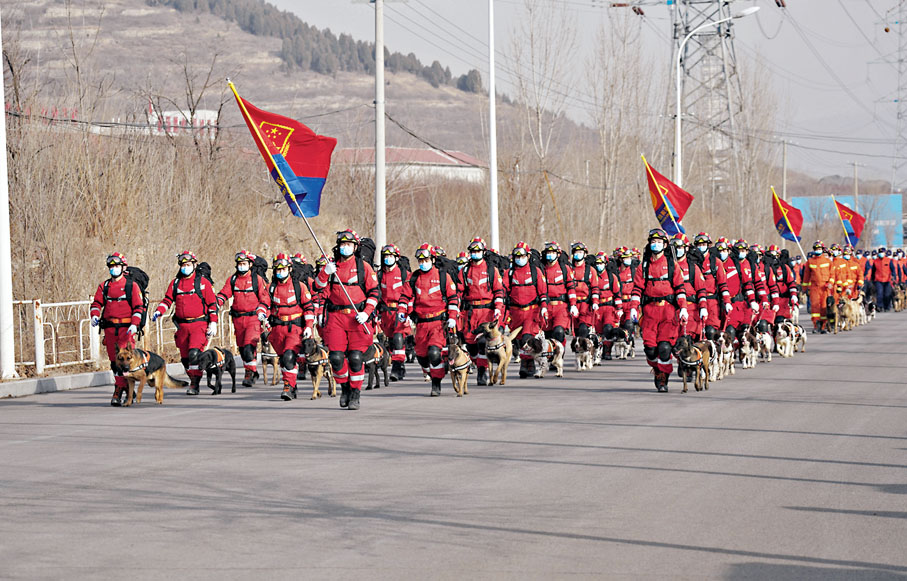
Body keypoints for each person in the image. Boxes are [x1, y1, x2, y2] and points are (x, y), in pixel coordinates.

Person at [313, 229, 380, 410]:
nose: (345, 248)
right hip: (335, 318)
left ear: (355, 247)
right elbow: (318, 287)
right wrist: (325, 273)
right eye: (342, 244)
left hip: (357, 317)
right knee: (336, 357)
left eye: (349, 245)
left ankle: (356, 393)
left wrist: (366, 312)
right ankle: (345, 388)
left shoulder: (363, 267)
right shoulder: (331, 266)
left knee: (356, 357)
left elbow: (374, 292)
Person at [627, 229, 688, 392]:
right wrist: (633, 308)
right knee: (651, 350)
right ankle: (657, 368)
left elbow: (680, 288)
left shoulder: (671, 265)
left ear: (665, 245)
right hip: (649, 313)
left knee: (665, 348)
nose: (656, 245)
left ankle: (663, 378)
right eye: (653, 242)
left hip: (668, 312)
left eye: (660, 242)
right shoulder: (643, 266)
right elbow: (637, 289)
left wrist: (683, 308)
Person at [151, 251, 218, 395]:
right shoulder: (176, 283)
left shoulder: (203, 283)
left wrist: (213, 323)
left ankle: (195, 384)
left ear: (194, 265)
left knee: (194, 354)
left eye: (188, 264)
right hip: (182, 326)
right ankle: (193, 376)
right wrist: (159, 311)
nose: (185, 267)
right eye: (183, 265)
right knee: (186, 359)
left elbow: (212, 304)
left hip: (199, 325)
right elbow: (167, 300)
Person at [399, 244, 459, 396]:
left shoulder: (442, 276)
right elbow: (404, 296)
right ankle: (433, 371)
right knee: (422, 357)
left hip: (438, 324)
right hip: (421, 324)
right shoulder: (413, 278)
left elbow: (453, 298)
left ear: (433, 259)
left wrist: (452, 318)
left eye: (426, 259)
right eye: (420, 260)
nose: (423, 263)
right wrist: (401, 311)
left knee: (434, 352)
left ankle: (436, 383)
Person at [90, 252, 144, 406]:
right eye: (111, 266)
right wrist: (94, 315)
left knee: (124, 361)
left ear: (123, 267)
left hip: (126, 330)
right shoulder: (104, 286)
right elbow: (96, 303)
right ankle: (127, 388)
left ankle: (118, 391)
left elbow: (138, 307)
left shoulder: (131, 286)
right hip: (109, 329)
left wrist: (135, 324)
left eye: (117, 266)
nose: (114, 269)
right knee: (114, 363)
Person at [216, 250, 270, 387]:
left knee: (248, 346)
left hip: (253, 318)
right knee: (241, 348)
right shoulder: (233, 279)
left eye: (244, 263)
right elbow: (225, 293)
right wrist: (216, 303)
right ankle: (251, 370)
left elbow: (265, 297)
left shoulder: (256, 279)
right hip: (238, 319)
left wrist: (263, 312)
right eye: (239, 263)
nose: (241, 266)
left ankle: (250, 372)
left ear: (250, 264)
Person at [267, 253, 316, 400]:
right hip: (277, 329)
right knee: (283, 359)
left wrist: (308, 326)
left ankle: (287, 386)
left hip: (295, 328)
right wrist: (262, 312)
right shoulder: (271, 287)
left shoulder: (299, 287)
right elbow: (265, 303)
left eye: (283, 269)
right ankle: (292, 385)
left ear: (289, 269)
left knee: (289, 356)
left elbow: (308, 307)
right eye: (277, 269)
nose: (280, 272)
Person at [460, 237, 505, 386]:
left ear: (483, 252)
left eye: (478, 251)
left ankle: (482, 371)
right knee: (471, 344)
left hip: (487, 312)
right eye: (473, 251)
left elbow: (499, 291)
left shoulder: (491, 270)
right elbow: (458, 292)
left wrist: (498, 310)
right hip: (470, 313)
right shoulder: (465, 271)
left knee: (482, 342)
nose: (475, 253)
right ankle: (476, 361)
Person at [503, 242, 548, 378]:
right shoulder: (510, 273)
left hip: (532, 311)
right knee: (518, 339)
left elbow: (543, 292)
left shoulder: (536, 272)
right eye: (517, 256)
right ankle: (527, 363)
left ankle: (526, 364)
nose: (519, 258)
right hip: (516, 312)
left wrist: (544, 308)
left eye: (522, 255)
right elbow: (503, 291)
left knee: (527, 338)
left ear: (528, 256)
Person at [688, 232, 730, 341]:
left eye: (704, 244)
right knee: (694, 333)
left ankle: (712, 354)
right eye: (699, 245)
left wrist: (727, 302)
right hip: (695, 302)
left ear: (709, 245)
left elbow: (723, 284)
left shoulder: (715, 262)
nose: (701, 247)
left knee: (710, 331)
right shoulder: (691, 262)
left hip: (711, 302)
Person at [377, 244, 410, 382]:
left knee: (398, 339)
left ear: (396, 258)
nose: (388, 259)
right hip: (385, 313)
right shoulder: (379, 275)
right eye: (385, 256)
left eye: (391, 256)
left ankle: (396, 368)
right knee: (390, 342)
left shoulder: (404, 274)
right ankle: (400, 364)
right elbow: (375, 294)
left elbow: (410, 294)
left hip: (399, 311)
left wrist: (409, 313)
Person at [716, 238, 757, 338]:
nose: (722, 253)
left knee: (730, 330)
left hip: (734, 304)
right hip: (717, 304)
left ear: (729, 251)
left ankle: (733, 352)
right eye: (719, 250)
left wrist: (752, 301)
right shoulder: (713, 264)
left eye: (724, 250)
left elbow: (747, 284)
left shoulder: (736, 264)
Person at [670, 234, 708, 340]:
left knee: (686, 342)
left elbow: (701, 290)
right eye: (675, 248)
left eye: (680, 247)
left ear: (686, 248)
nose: (678, 250)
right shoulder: (668, 267)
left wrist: (703, 307)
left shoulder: (693, 268)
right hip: (670, 310)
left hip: (690, 310)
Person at [540, 241, 576, 349]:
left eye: (553, 252)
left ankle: (559, 356)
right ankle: (551, 358)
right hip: (546, 306)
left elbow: (571, 288)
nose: (550, 255)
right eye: (548, 252)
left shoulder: (564, 269)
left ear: (558, 254)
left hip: (561, 307)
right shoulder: (542, 269)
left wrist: (573, 304)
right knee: (548, 336)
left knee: (558, 332)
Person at [592, 251, 622, 360]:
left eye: (601, 263)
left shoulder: (611, 277)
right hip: (598, 307)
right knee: (598, 331)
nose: (599, 265)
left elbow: (617, 293)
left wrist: (619, 308)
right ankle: (598, 351)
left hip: (609, 307)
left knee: (608, 328)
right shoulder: (593, 276)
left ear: (606, 264)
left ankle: (607, 350)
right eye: (597, 263)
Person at [569, 241, 599, 342]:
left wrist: (595, 302)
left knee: (583, 329)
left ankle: (586, 353)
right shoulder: (569, 269)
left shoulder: (590, 271)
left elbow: (595, 288)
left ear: (585, 254)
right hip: (573, 305)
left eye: (581, 252)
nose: (578, 254)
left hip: (586, 306)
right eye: (576, 252)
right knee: (576, 332)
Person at [801, 241, 833, 332]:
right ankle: (816, 325)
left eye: (819, 249)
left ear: (822, 250)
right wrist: (804, 289)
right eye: (816, 249)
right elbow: (806, 276)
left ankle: (823, 326)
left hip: (825, 288)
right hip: (814, 288)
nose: (818, 251)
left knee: (824, 307)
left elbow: (832, 274)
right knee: (815, 307)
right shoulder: (810, 262)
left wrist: (831, 282)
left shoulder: (828, 261)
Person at [871, 247, 894, 311]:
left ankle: (887, 306)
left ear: (885, 253)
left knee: (887, 294)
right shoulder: (875, 261)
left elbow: (893, 269)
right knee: (879, 293)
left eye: (882, 252)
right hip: (878, 280)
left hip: (887, 280)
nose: (881, 254)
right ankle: (879, 306)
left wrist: (893, 276)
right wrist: (872, 279)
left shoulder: (889, 260)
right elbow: (873, 271)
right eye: (880, 253)